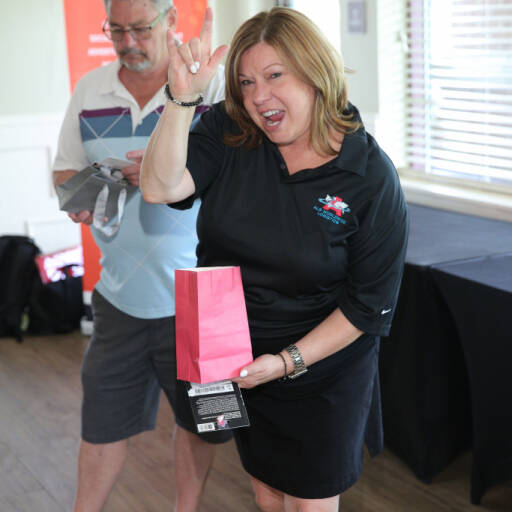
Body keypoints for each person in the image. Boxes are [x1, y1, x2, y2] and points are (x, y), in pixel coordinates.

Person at [141, 6, 408, 511]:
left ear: (314, 73)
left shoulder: (369, 177)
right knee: (265, 492)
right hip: (230, 356)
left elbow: (368, 307)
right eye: (244, 82)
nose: (258, 96)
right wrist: (182, 100)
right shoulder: (230, 130)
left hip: (321, 367)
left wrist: (286, 364)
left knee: (308, 500)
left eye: (274, 76)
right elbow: (158, 187)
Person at [52, 1, 231, 511]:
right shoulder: (90, 91)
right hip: (120, 295)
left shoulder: (210, 89)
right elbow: (66, 180)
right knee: (102, 424)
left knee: (209, 425)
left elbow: (242, 175)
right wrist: (104, 180)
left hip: (206, 297)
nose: (128, 41)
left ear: (172, 21)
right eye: (117, 30)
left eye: (140, 29)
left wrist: (162, 174)